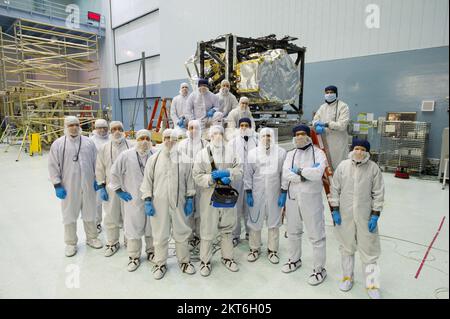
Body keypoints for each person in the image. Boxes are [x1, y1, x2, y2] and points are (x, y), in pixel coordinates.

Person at [330, 139, 385, 299]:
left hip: (365, 216)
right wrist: (335, 210)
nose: (359, 152)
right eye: (356, 148)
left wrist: (375, 215)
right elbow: (335, 189)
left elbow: (378, 193)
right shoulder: (343, 166)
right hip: (345, 216)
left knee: (369, 250)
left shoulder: (373, 169)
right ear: (352, 149)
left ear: (367, 152)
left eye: (362, 149)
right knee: (346, 247)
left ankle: (372, 284)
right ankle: (347, 277)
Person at [141, 129, 196, 279]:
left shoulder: (185, 159)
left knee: (182, 233)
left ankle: (184, 262)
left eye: (172, 139)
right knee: (159, 234)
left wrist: (190, 198)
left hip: (180, 203)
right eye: (166, 138)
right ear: (162, 140)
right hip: (159, 204)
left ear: (177, 140)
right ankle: (160, 263)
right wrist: (147, 200)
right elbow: (147, 182)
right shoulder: (154, 159)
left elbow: (190, 181)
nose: (169, 141)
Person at [48, 116, 102, 257]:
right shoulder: (59, 144)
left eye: (76, 125)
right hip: (69, 186)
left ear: (80, 126)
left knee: (90, 211)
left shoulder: (88, 143)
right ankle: (71, 243)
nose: (74, 127)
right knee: (69, 214)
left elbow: (97, 163)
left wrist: (98, 179)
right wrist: (57, 185)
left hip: (89, 184)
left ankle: (92, 238)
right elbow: (53, 165)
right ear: (66, 126)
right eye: (71, 125)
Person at [192, 125, 242, 276]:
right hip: (209, 197)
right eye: (215, 134)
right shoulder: (202, 154)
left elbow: (239, 169)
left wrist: (229, 174)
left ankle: (227, 258)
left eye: (220, 133)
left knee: (227, 228)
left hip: (226, 195)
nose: (218, 136)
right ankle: (205, 261)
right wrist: (210, 178)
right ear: (210, 136)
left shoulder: (231, 152)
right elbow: (196, 175)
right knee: (207, 229)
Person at [281, 124, 328, 286]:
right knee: (293, 232)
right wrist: (305, 174)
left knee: (316, 235)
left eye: (302, 134)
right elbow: (286, 173)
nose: (299, 137)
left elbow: (317, 174)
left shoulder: (319, 153)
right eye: (297, 134)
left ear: (308, 136)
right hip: (292, 198)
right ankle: (294, 260)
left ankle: (319, 269)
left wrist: (299, 171)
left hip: (311, 200)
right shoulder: (290, 154)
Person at [109, 129, 156, 272]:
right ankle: (134, 257)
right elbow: (114, 173)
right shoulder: (126, 155)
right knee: (133, 228)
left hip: (153, 199)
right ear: (136, 140)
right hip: (133, 199)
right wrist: (118, 191)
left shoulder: (155, 154)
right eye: (141, 138)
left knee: (151, 227)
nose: (145, 142)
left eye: (147, 139)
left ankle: (151, 252)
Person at [244, 127, 287, 263]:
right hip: (256, 193)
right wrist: (249, 192)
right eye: (263, 136)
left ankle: (273, 250)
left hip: (274, 193)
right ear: (259, 137)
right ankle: (254, 248)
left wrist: (284, 192)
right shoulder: (252, 154)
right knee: (255, 221)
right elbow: (247, 174)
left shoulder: (281, 153)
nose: (266, 138)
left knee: (274, 222)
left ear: (273, 137)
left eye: (269, 136)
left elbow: (284, 174)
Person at [95, 121, 131, 257]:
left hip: (129, 188)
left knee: (129, 216)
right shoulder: (104, 148)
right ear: (110, 132)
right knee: (111, 215)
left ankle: (130, 241)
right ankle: (112, 242)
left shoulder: (131, 145)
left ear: (123, 130)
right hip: (111, 188)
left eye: (119, 129)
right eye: (114, 129)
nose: (117, 132)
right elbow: (99, 168)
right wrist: (101, 186)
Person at [177, 120, 208, 249]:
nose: (193, 130)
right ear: (187, 129)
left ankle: (200, 236)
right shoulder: (181, 145)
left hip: (202, 183)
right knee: (188, 211)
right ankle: (189, 237)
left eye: (195, 128)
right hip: (186, 181)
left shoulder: (205, 144)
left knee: (201, 210)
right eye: (190, 128)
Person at [228, 118, 258, 246]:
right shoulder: (232, 142)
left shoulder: (257, 142)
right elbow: (228, 160)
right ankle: (235, 235)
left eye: (246, 125)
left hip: (252, 179)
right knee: (236, 208)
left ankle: (249, 233)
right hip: (237, 179)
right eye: (241, 125)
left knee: (250, 208)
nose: (244, 127)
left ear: (251, 127)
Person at [312, 85, 350, 170]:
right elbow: (315, 120)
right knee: (325, 164)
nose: (329, 94)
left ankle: (338, 182)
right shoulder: (322, 107)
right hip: (324, 140)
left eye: (331, 92)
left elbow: (342, 125)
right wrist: (317, 124)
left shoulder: (343, 106)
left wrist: (326, 124)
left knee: (338, 165)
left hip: (338, 141)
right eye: (327, 93)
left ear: (336, 94)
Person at [90, 118, 110, 232]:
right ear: (95, 128)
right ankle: (97, 222)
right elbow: (89, 160)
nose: (102, 130)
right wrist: (93, 177)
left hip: (111, 175)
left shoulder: (111, 138)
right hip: (97, 175)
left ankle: (117, 220)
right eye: (99, 128)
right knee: (97, 202)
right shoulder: (91, 141)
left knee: (113, 200)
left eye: (104, 127)